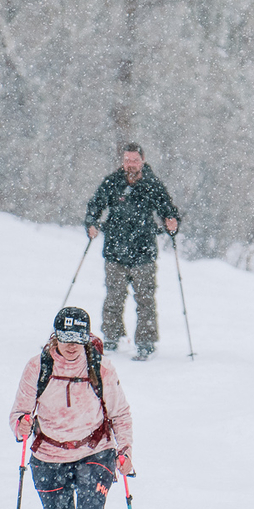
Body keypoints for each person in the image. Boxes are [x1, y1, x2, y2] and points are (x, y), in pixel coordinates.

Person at [9, 305, 136, 509]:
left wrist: (125, 451)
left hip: (95, 452)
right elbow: (19, 412)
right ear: (55, 336)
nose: (70, 345)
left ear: (86, 338)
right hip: (49, 455)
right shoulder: (39, 366)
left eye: (77, 338)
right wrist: (22, 424)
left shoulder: (100, 367)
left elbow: (120, 414)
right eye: (64, 337)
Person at [85, 143, 181, 360]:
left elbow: (167, 209)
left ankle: (146, 343)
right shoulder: (112, 182)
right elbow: (95, 205)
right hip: (115, 250)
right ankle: (111, 338)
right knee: (113, 297)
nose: (131, 164)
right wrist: (91, 223)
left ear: (142, 161)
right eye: (127, 160)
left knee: (145, 300)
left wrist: (172, 221)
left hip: (143, 251)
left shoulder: (152, 185)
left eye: (135, 160)